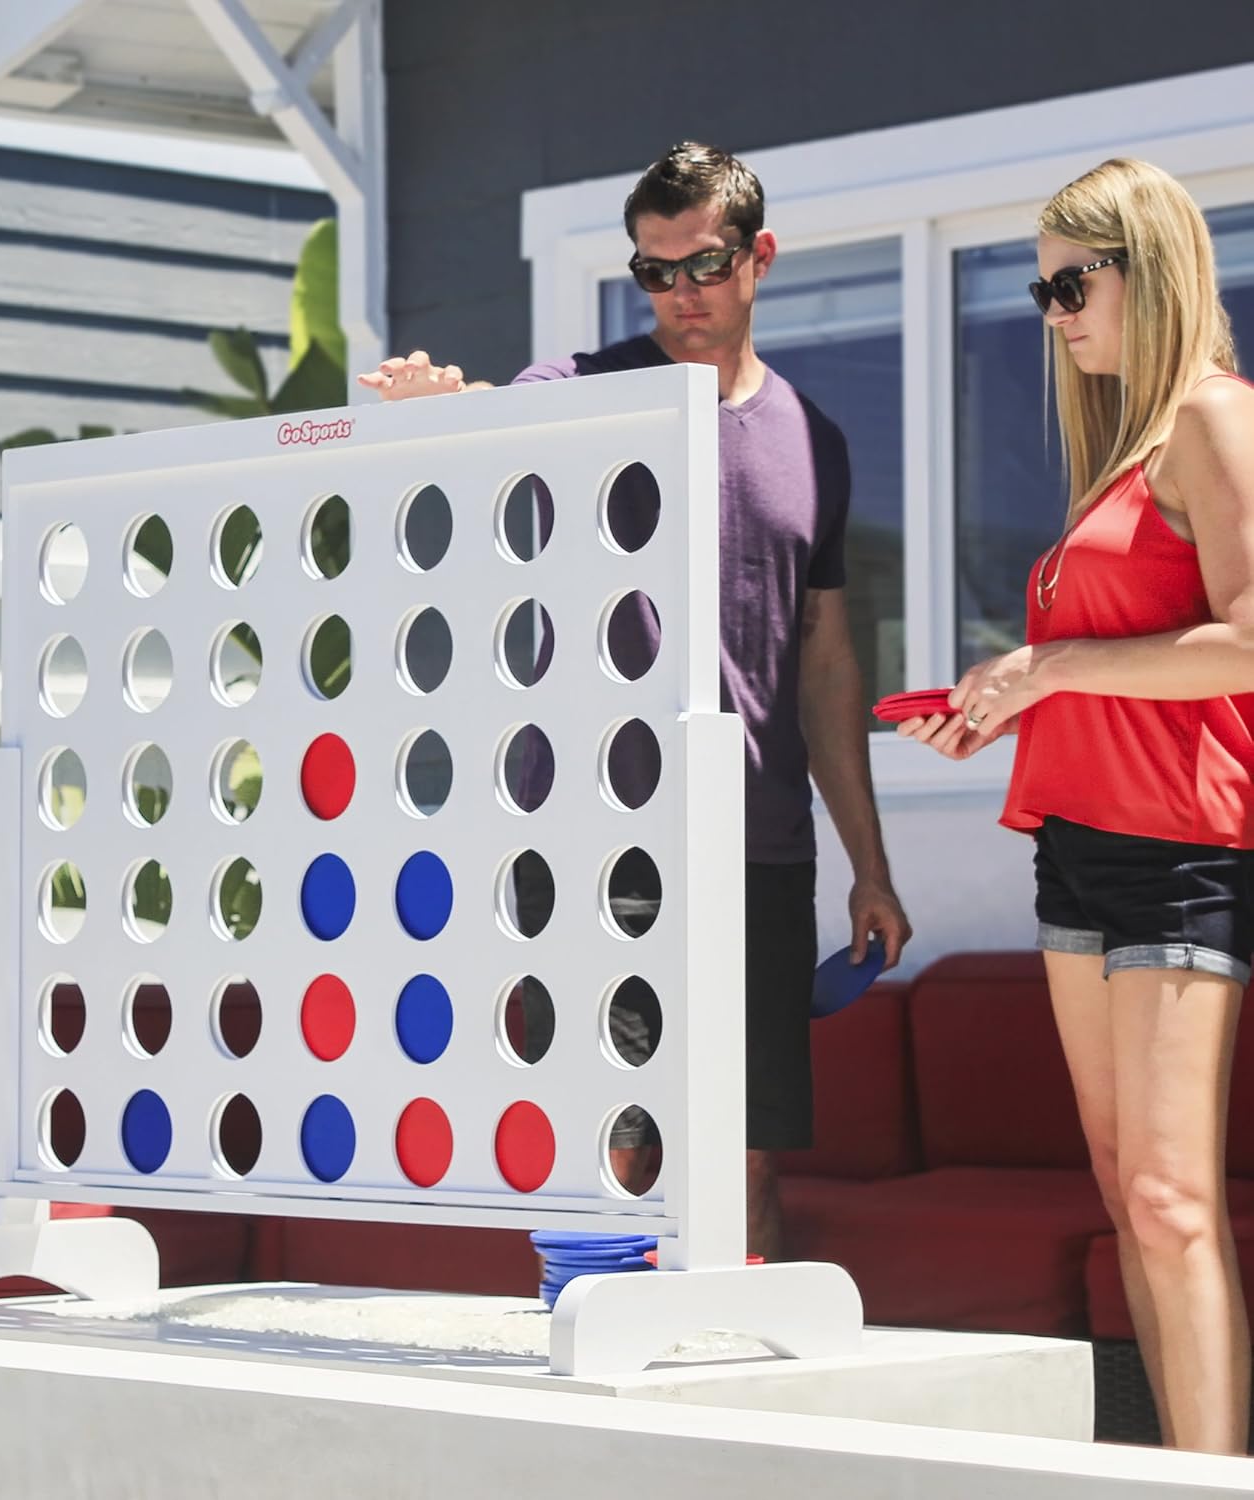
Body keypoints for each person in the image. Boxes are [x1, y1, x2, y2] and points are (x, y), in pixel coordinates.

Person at [360, 142, 911, 1259]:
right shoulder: (584, 393)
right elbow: (482, 427)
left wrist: (871, 864)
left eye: (701, 265)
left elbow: (827, 664)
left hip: (756, 841)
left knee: (748, 1154)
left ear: (759, 258)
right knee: (610, 1139)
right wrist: (432, 408)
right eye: (652, 272)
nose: (677, 294)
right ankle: (599, 1384)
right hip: (590, 839)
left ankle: (729, 1399)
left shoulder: (817, 440)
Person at [900, 157, 1254, 1454]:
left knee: (1170, 1202)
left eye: (1069, 281)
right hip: (1076, 848)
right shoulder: (1118, 463)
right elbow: (1113, 669)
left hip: (1183, 855)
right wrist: (999, 699)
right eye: (1038, 286)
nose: (1051, 310)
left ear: (1144, 272)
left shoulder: (1220, 418)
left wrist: (1049, 666)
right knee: (1124, 1195)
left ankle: (1220, 1483)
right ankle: (1179, 1467)